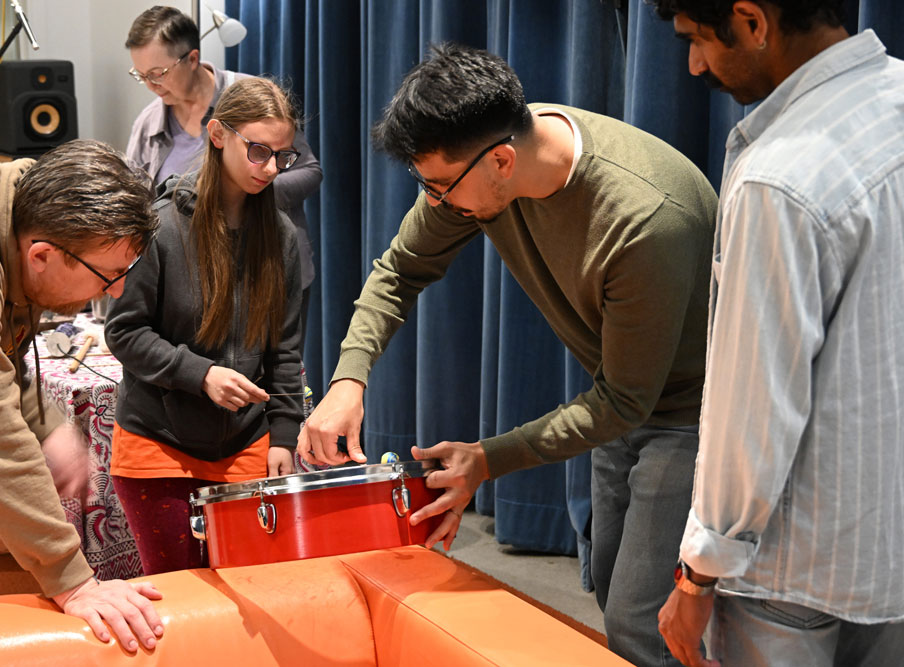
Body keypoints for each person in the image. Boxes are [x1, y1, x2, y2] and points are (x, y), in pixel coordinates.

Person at [297, 43, 718, 667]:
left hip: (692, 415)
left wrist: (487, 459)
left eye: (441, 186)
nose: (435, 203)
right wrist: (347, 382)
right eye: (425, 184)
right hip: (617, 398)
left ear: (501, 160)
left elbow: (627, 402)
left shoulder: (643, 217)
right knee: (611, 588)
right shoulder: (483, 162)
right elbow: (399, 271)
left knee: (639, 622)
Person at [647, 2, 904, 666]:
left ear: (752, 21)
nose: (694, 65)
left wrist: (699, 573)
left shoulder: (780, 179)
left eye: (699, 40)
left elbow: (753, 404)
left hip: (794, 566)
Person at [0, 140, 164, 650]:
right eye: (108, 275)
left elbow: (1, 360)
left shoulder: (24, 223)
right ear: (41, 256)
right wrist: (72, 580)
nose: (115, 291)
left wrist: (46, 427)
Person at [104, 77, 304, 576]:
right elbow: (124, 332)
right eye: (259, 151)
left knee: (254, 592)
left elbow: (284, 349)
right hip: (158, 446)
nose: (271, 168)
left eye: (283, 156)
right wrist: (202, 374)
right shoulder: (160, 226)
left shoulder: (281, 237)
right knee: (180, 598)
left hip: (247, 444)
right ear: (218, 135)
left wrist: (283, 435)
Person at [125, 6, 322, 355]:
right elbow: (136, 201)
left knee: (273, 364)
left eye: (158, 73)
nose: (152, 85)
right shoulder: (148, 123)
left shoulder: (253, 98)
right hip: (193, 285)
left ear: (192, 58)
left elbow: (310, 170)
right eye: (142, 76)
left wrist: (252, 193)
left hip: (265, 267)